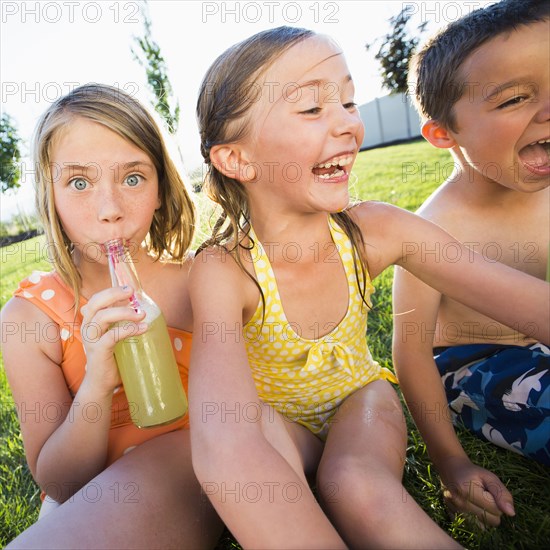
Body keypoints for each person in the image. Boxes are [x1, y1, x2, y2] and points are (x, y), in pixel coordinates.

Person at [188, 26, 549, 549]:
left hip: (362, 401)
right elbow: (225, 434)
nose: (347, 123)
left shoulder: (375, 231)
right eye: (312, 109)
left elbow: (523, 301)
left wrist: (450, 462)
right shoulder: (224, 269)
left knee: (352, 483)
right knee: (256, 442)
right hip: (279, 426)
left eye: (348, 101)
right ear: (237, 160)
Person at [1, 84, 222, 548]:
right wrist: (98, 382)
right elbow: (60, 483)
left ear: (162, 186)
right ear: (51, 196)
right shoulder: (31, 319)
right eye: (79, 183)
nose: (109, 212)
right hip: (84, 495)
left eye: (133, 178)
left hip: (196, 474)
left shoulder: (201, 281)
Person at [392, 0, 550, 528]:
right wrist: (450, 462)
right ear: (445, 134)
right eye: (514, 98)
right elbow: (410, 354)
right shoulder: (433, 231)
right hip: (477, 366)